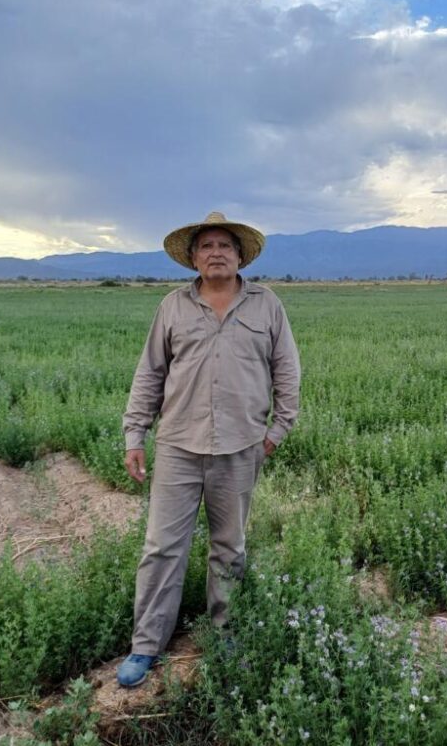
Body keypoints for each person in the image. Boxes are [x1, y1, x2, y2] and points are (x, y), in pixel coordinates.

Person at [116, 211, 301, 687]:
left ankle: (225, 632)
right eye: (206, 246)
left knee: (230, 547)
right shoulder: (172, 307)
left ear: (240, 256)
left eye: (225, 245)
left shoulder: (267, 306)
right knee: (161, 547)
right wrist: (135, 434)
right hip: (178, 444)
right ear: (193, 258)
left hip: (241, 446)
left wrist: (277, 430)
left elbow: (287, 372)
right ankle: (147, 645)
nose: (215, 252)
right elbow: (150, 374)